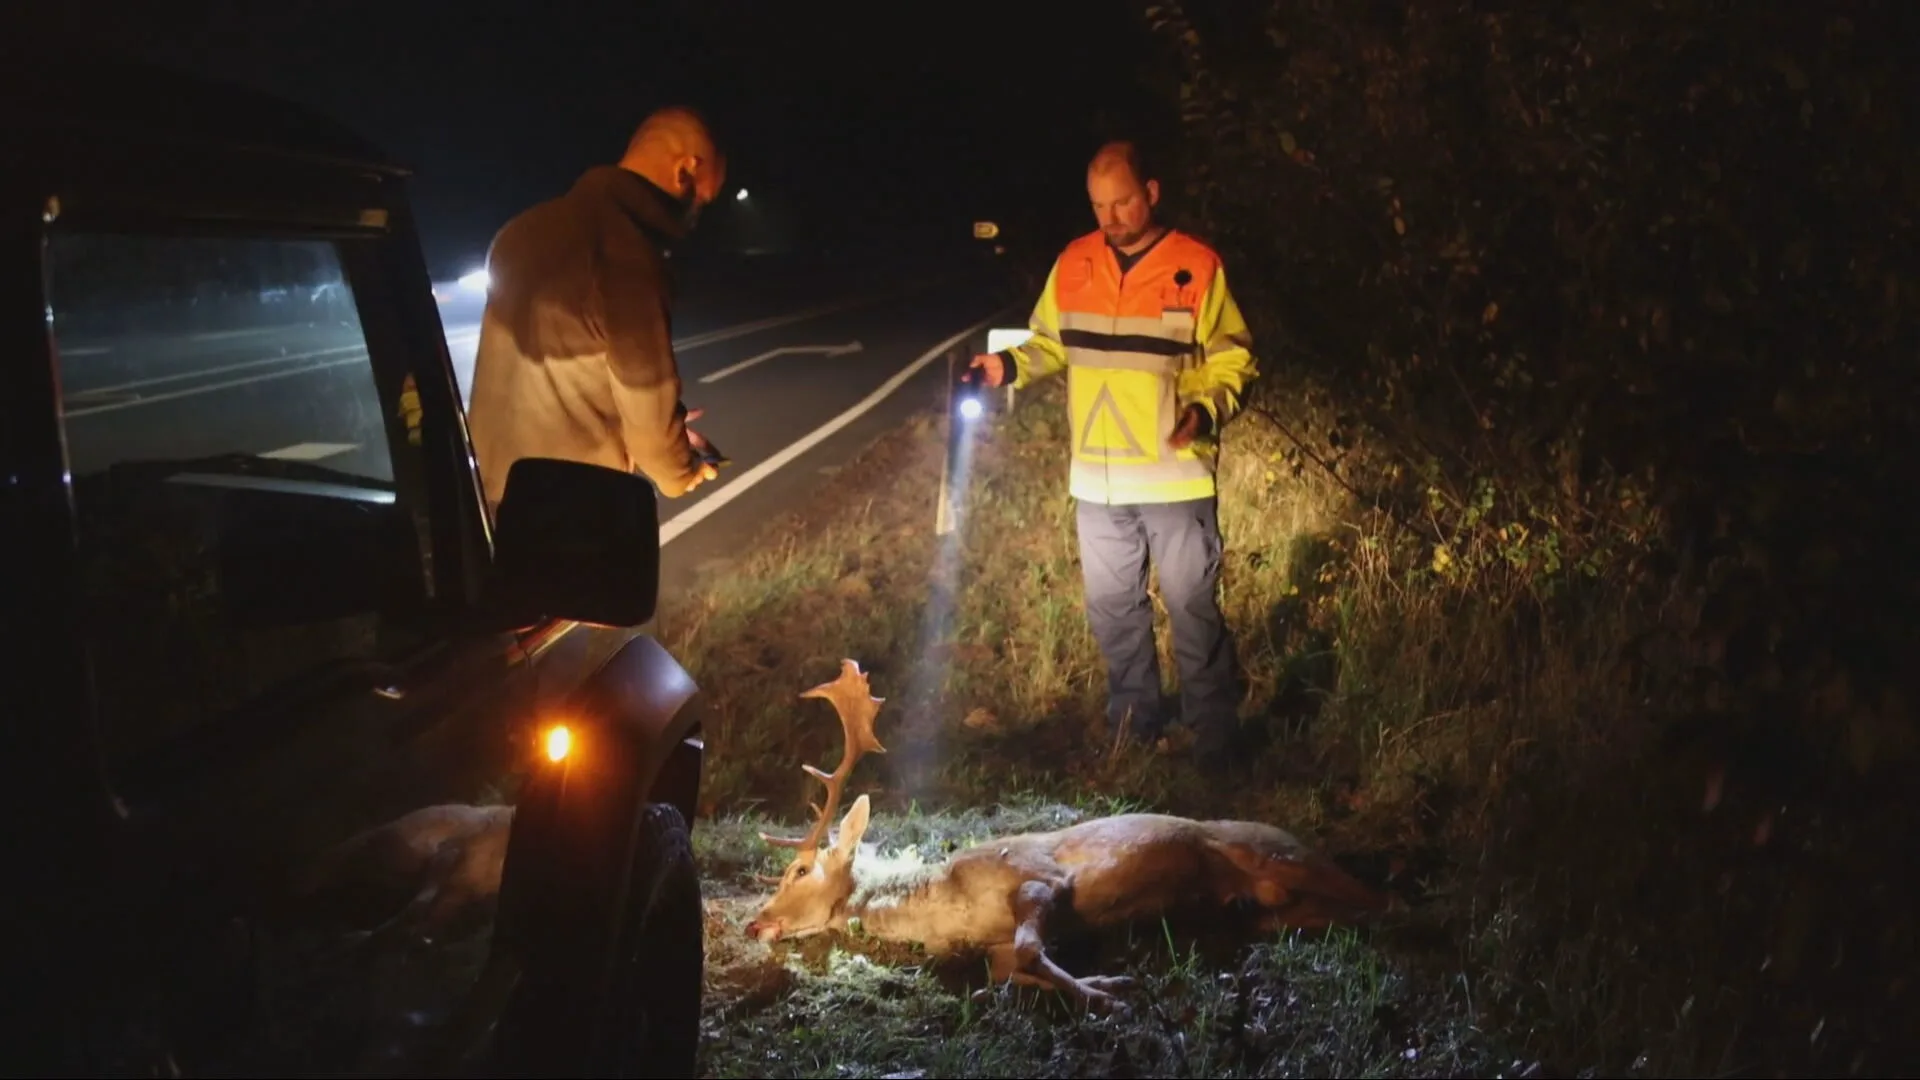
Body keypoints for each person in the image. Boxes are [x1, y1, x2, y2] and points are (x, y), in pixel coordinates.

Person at [966, 140, 1259, 774]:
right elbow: (1049, 342)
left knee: (1193, 613)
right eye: (1099, 205)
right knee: (1114, 613)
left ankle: (1216, 746)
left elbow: (1233, 357)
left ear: (1151, 191)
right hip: (1097, 481)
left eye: (1123, 201)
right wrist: (1007, 365)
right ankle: (1133, 729)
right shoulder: (1074, 263)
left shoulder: (1196, 266)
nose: (1111, 217)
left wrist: (1205, 409)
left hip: (1175, 476)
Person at [466, 106, 729, 516]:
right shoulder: (628, 255)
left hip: (489, 493)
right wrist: (680, 470)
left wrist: (661, 421)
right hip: (566, 507)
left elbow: (562, 377)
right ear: (686, 171)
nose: (695, 220)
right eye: (700, 202)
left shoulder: (520, 231)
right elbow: (649, 422)